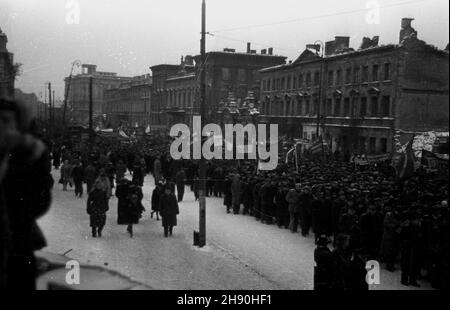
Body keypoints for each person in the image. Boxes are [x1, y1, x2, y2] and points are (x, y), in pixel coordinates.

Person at [0, 98, 53, 290]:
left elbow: (41, 202)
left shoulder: (29, 154)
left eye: (5, 120)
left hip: (17, 245)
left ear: (17, 125)